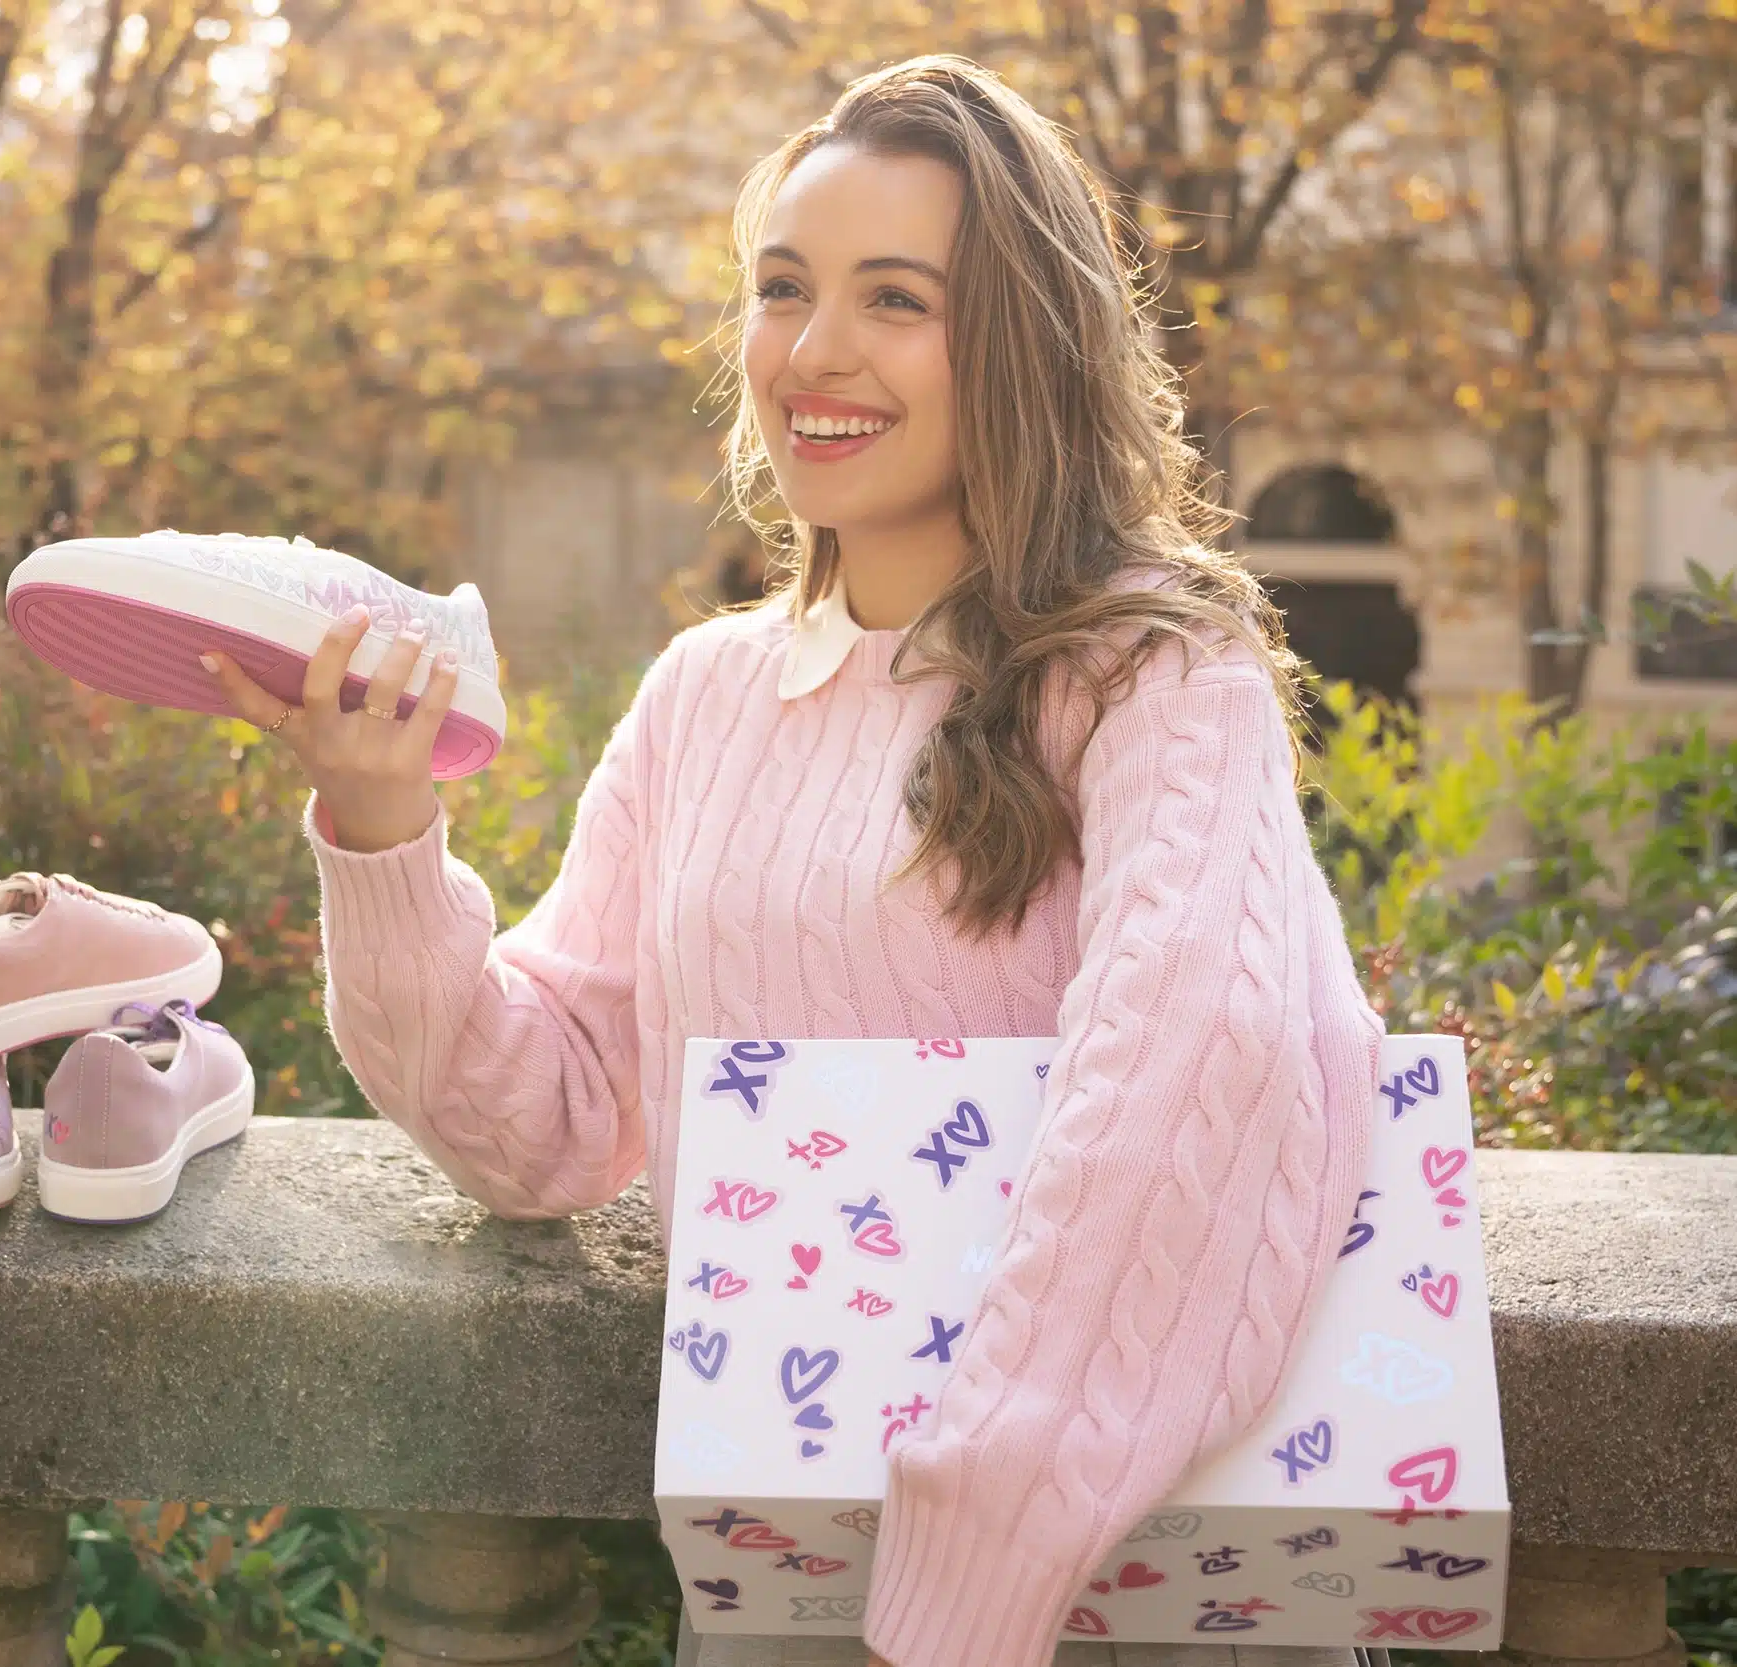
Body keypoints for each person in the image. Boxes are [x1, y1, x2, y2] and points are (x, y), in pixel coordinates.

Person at [207, 54, 1383, 1667]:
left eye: (896, 298)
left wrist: (967, 1557)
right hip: (787, 1599)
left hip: (1120, 1602)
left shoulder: (1156, 676)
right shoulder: (704, 695)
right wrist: (384, 830)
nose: (815, 353)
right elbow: (542, 1125)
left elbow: (1205, 1066)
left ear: (1025, 344)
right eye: (782, 289)